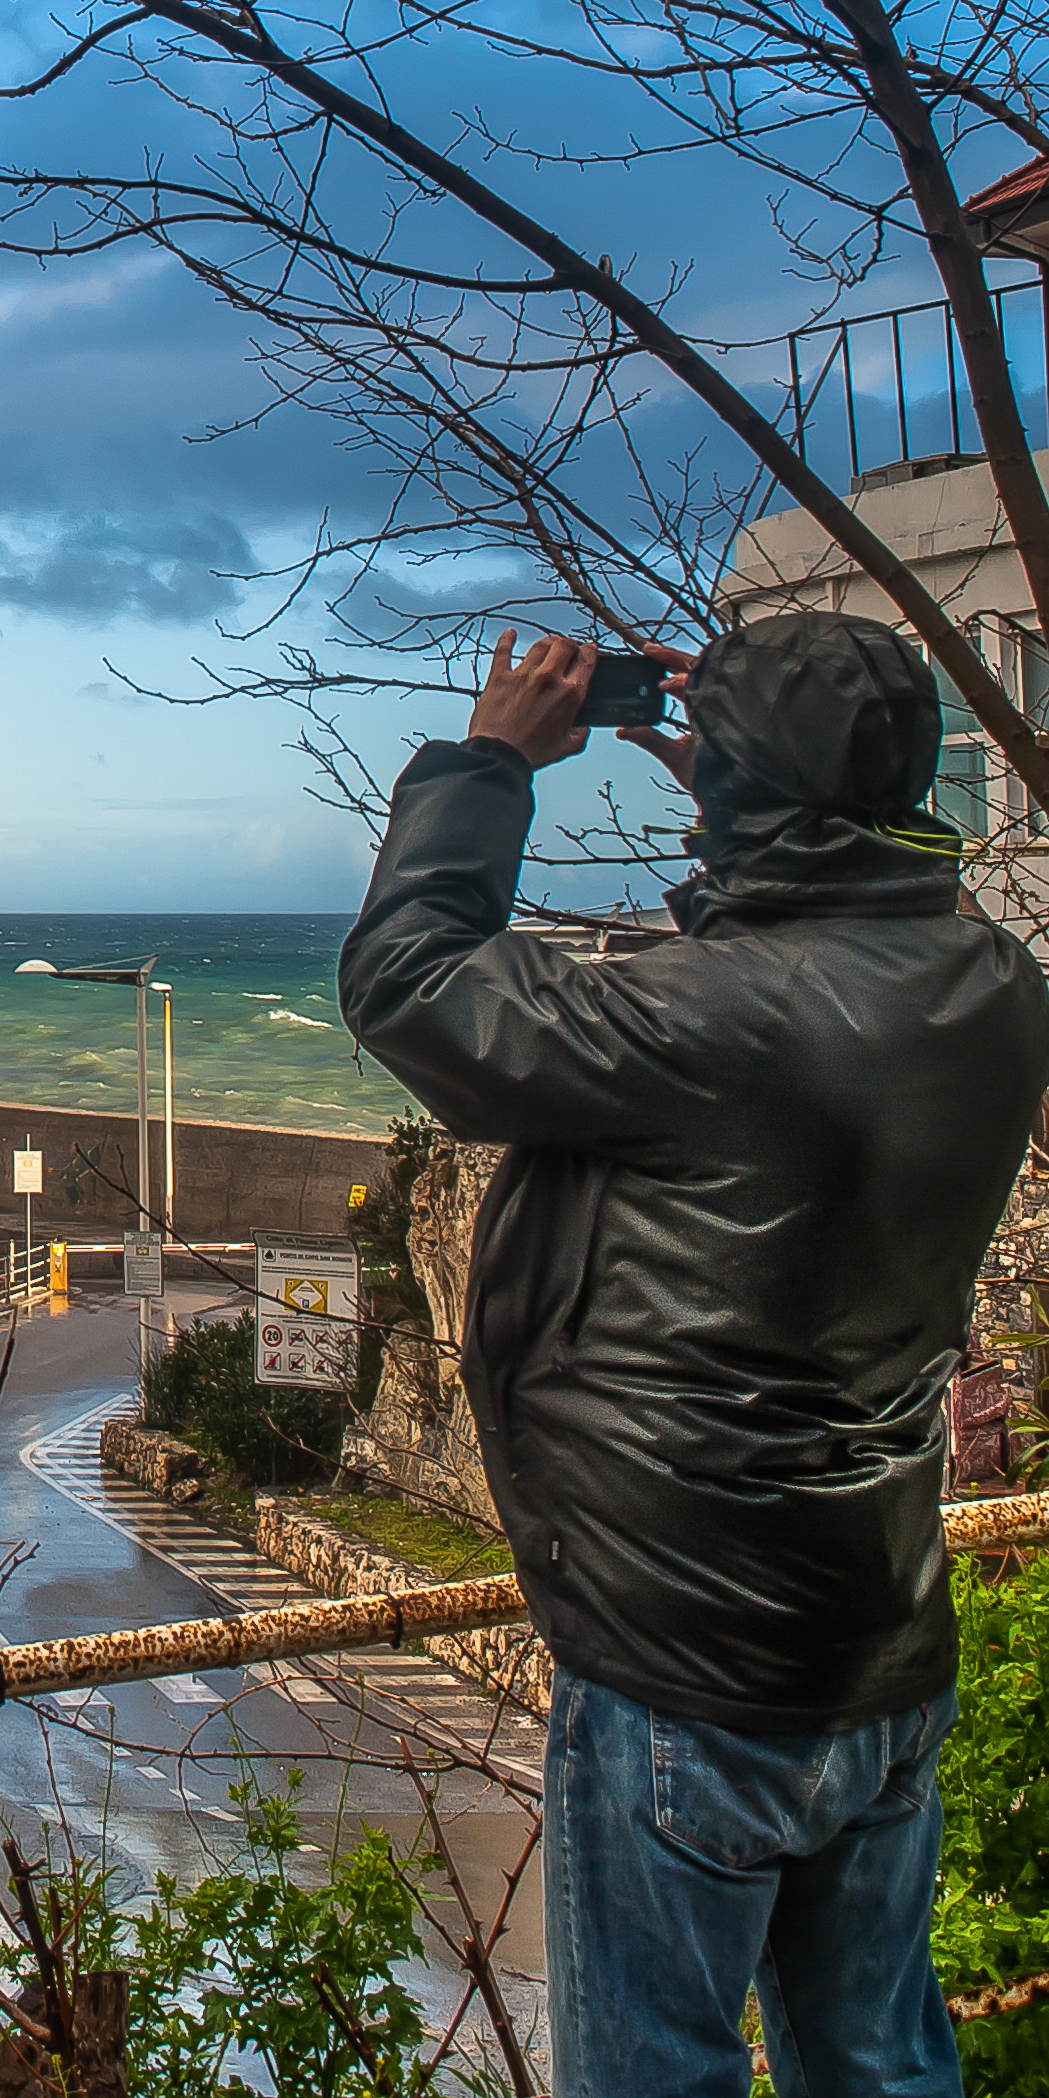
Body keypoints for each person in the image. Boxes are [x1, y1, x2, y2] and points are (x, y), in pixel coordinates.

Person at [339, 609, 1049, 2098]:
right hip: (881, 1628)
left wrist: (494, 760)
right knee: (883, 2060)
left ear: (733, 793)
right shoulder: (993, 987)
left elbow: (410, 984)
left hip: (688, 1659)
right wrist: (752, 794)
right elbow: (815, 926)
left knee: (655, 2071)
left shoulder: (699, 1019)